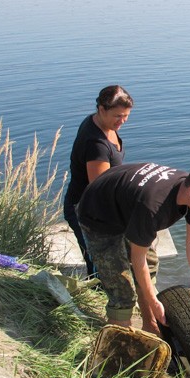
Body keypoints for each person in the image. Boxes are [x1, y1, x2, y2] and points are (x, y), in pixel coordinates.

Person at [77, 162, 190, 334]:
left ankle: (150, 325)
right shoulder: (153, 207)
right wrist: (154, 302)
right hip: (98, 215)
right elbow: (137, 258)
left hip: (127, 205)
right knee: (122, 292)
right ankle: (118, 347)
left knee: (150, 266)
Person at [62, 85, 134, 281]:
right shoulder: (96, 145)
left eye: (126, 115)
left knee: (106, 260)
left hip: (95, 207)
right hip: (85, 210)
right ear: (102, 109)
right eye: (118, 116)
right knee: (99, 262)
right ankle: (96, 298)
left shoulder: (100, 123)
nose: (122, 121)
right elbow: (99, 190)